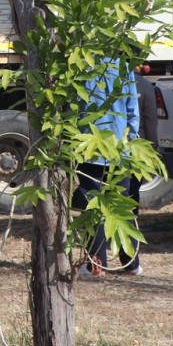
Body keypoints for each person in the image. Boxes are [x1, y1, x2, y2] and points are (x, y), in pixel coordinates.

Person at [74, 61, 143, 277]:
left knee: (93, 207)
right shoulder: (124, 67)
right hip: (119, 149)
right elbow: (132, 110)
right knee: (121, 207)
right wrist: (131, 141)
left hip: (90, 150)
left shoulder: (81, 65)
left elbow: (75, 108)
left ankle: (97, 265)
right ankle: (131, 264)